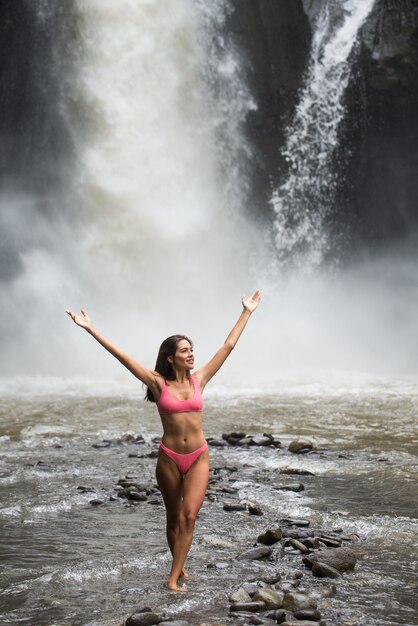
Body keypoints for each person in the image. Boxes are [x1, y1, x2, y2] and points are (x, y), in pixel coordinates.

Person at [66, 290, 261, 591]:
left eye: (192, 349)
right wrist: (91, 329)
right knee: (173, 518)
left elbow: (228, 345)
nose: (191, 354)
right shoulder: (158, 384)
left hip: (198, 456)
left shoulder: (201, 379)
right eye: (185, 350)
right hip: (169, 457)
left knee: (190, 516)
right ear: (171, 358)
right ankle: (180, 570)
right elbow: (122, 356)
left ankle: (172, 579)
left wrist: (247, 311)